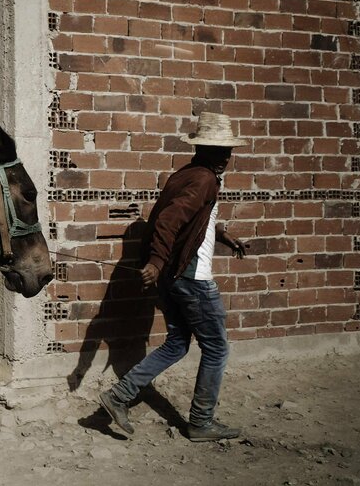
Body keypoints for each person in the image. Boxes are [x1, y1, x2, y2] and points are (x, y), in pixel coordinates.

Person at [98, 112, 248, 442]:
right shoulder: (205, 179)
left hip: (173, 276)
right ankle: (201, 422)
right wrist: (155, 259)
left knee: (178, 343)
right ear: (203, 149)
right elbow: (167, 221)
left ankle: (118, 396)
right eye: (219, 149)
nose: (226, 156)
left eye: (228, 150)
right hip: (192, 279)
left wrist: (221, 235)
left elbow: (192, 217)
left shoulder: (187, 174)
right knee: (217, 348)